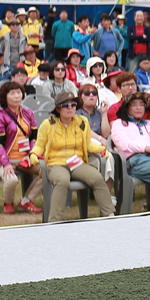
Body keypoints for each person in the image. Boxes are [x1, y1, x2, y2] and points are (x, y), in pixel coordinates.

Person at [33, 91, 115, 220]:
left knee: (97, 178)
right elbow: (39, 146)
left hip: (77, 162)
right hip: (55, 163)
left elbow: (88, 144)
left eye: (73, 104)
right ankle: (54, 221)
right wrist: (34, 155)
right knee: (62, 181)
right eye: (66, 105)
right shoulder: (48, 124)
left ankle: (110, 215)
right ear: (58, 108)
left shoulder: (82, 121)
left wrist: (101, 149)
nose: (70, 108)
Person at [0, 81, 44, 214]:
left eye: (18, 92)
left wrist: (31, 154)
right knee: (12, 180)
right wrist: (6, 164)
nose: (16, 96)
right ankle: (8, 203)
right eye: (12, 93)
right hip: (5, 158)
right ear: (5, 97)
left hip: (25, 157)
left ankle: (26, 201)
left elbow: (34, 137)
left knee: (48, 170)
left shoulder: (28, 113)